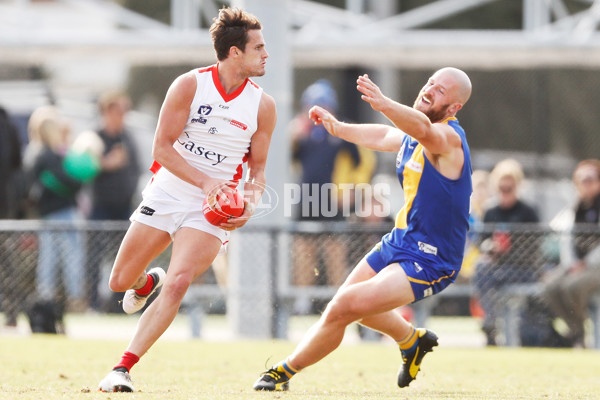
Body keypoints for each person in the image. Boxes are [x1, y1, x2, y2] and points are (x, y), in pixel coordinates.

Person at [253, 67, 472, 391]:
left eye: (441, 91)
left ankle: (282, 372)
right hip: (401, 241)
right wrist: (339, 128)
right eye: (430, 83)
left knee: (345, 306)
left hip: (432, 258)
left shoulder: (448, 138)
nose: (429, 90)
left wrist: (383, 103)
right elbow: (384, 136)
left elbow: (424, 129)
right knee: (345, 304)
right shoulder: (414, 135)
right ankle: (411, 341)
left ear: (454, 108)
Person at [97, 7, 276, 392]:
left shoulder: (263, 105)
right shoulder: (189, 85)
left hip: (211, 208)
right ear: (234, 53)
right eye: (258, 47)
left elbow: (258, 171)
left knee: (178, 283)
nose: (266, 54)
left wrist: (250, 203)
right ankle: (145, 283)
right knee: (119, 282)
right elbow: (161, 148)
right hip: (169, 191)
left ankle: (122, 368)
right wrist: (205, 180)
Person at [290, 79, 362, 313]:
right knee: (303, 250)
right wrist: (293, 137)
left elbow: (361, 163)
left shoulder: (341, 129)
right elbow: (285, 160)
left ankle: (337, 301)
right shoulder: (300, 131)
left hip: (333, 199)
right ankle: (302, 301)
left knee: (335, 252)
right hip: (306, 197)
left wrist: (353, 190)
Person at [26, 106, 89, 313]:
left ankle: (46, 297)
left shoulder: (35, 155)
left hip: (48, 214)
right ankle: (75, 299)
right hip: (64, 213)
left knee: (49, 258)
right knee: (71, 257)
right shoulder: (51, 156)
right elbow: (72, 182)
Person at [472, 159, 540, 346]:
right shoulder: (490, 211)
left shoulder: (528, 212)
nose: (505, 192)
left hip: (522, 269)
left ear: (517, 186)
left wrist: (508, 250)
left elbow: (533, 250)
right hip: (496, 269)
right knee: (481, 268)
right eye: (502, 188)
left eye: (509, 188)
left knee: (486, 272)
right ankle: (490, 322)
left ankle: (491, 323)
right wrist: (491, 247)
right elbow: (481, 242)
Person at [86, 90, 140, 311]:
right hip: (100, 207)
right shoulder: (94, 137)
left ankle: (120, 304)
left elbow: (136, 168)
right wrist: (106, 163)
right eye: (118, 111)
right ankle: (93, 304)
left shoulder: (127, 137)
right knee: (94, 258)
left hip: (125, 207)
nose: (122, 116)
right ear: (107, 111)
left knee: (128, 259)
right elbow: (83, 169)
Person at [542, 159, 600, 347]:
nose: (585, 184)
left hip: (595, 266)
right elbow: (567, 240)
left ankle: (580, 331)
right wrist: (573, 264)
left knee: (572, 286)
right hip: (576, 265)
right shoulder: (576, 208)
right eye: (581, 180)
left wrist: (586, 263)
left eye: (590, 179)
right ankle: (576, 330)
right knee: (550, 286)